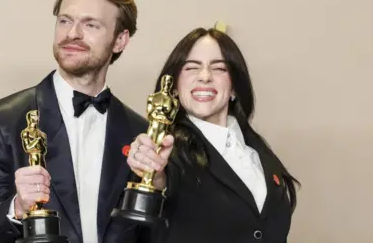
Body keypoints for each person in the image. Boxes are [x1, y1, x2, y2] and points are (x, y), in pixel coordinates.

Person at [0, 0, 151, 243]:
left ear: (120, 40)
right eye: (65, 21)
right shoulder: (0, 121)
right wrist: (17, 208)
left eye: (90, 24)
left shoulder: (141, 132)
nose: (72, 34)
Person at [127, 26, 301, 242]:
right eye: (191, 67)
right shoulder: (165, 152)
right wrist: (154, 176)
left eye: (219, 68)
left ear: (235, 86)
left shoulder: (258, 153)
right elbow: (157, 195)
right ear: (173, 87)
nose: (205, 76)